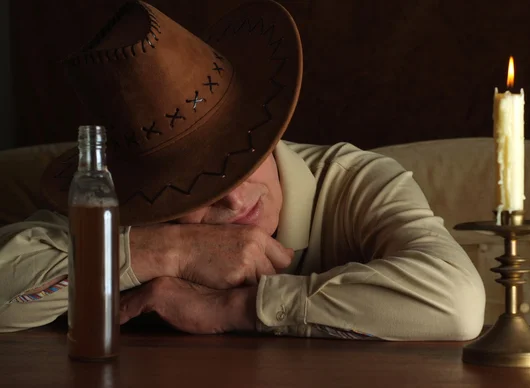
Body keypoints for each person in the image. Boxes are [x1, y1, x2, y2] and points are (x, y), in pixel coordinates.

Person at [0, 0, 485, 339]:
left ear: (269, 136)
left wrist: (232, 308)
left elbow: (456, 304)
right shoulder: (120, 204)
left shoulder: (357, 181)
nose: (233, 198)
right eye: (196, 189)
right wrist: (166, 251)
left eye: (242, 162)